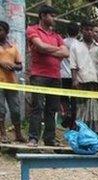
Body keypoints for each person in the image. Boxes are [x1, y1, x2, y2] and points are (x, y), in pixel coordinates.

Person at [26, 5, 69, 147]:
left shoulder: (56, 35)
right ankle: (33, 138)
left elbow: (66, 53)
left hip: (56, 77)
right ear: (43, 16)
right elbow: (40, 47)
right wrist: (52, 50)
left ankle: (49, 139)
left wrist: (45, 49)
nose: (54, 18)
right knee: (37, 107)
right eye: (52, 15)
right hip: (38, 75)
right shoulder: (32, 29)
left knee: (52, 109)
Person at [70, 21, 98, 133]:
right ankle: (80, 134)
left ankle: (93, 135)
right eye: (86, 30)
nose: (89, 32)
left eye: (91, 30)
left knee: (94, 112)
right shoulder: (75, 46)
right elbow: (73, 65)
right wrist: (74, 80)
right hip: (81, 82)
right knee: (81, 111)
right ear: (82, 31)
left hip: (95, 83)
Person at [0, 21, 24, 143]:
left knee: (15, 109)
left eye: (1, 30)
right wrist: (1, 63)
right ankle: (3, 134)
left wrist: (13, 66)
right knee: (1, 110)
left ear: (6, 32)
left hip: (11, 82)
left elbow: (20, 66)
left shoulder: (13, 48)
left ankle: (18, 134)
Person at [60, 23, 78, 126]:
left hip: (63, 74)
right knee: (74, 99)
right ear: (78, 32)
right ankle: (73, 120)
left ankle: (66, 116)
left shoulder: (62, 42)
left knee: (64, 98)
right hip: (74, 76)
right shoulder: (79, 44)